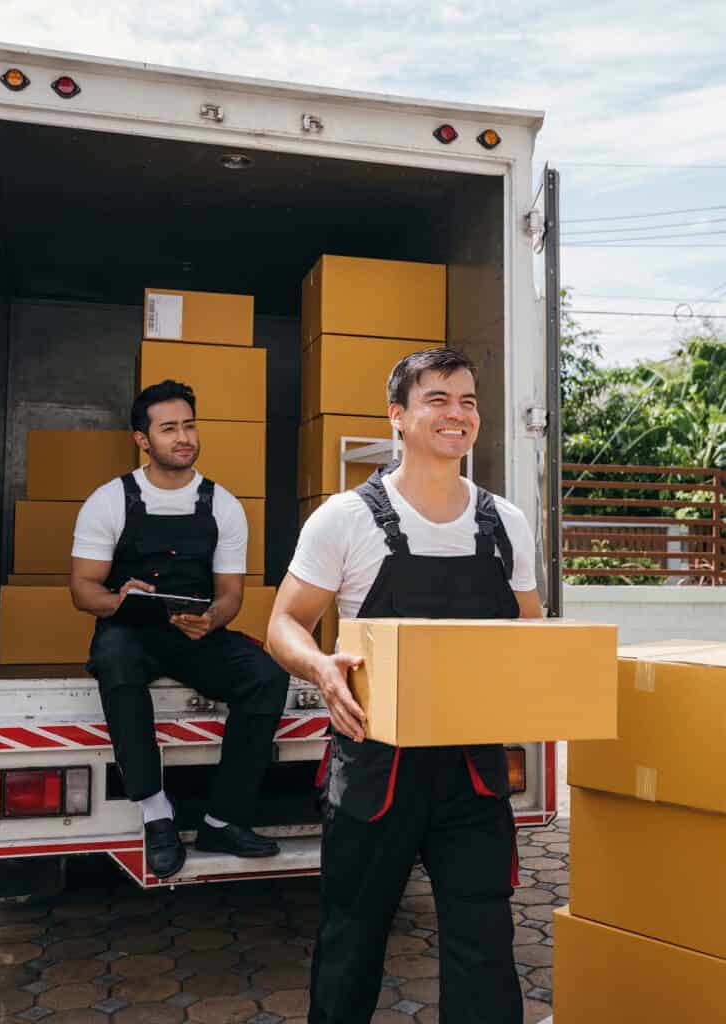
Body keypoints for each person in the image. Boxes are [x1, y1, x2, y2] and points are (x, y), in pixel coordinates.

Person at [266, 348, 542, 1024]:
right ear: (397, 415)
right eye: (437, 399)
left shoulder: (505, 524)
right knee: (351, 937)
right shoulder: (345, 518)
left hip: (472, 770)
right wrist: (320, 667)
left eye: (468, 401)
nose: (457, 414)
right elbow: (284, 624)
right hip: (375, 767)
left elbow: (529, 634)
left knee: (484, 941)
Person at [70, 379, 289, 879]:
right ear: (142, 440)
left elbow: (230, 593)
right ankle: (156, 814)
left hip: (194, 634)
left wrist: (213, 619)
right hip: (130, 632)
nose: (183, 437)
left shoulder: (222, 504)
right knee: (115, 660)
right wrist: (119, 600)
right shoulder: (110, 500)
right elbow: (83, 589)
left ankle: (223, 819)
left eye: (189, 425)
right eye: (169, 428)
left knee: (267, 676)